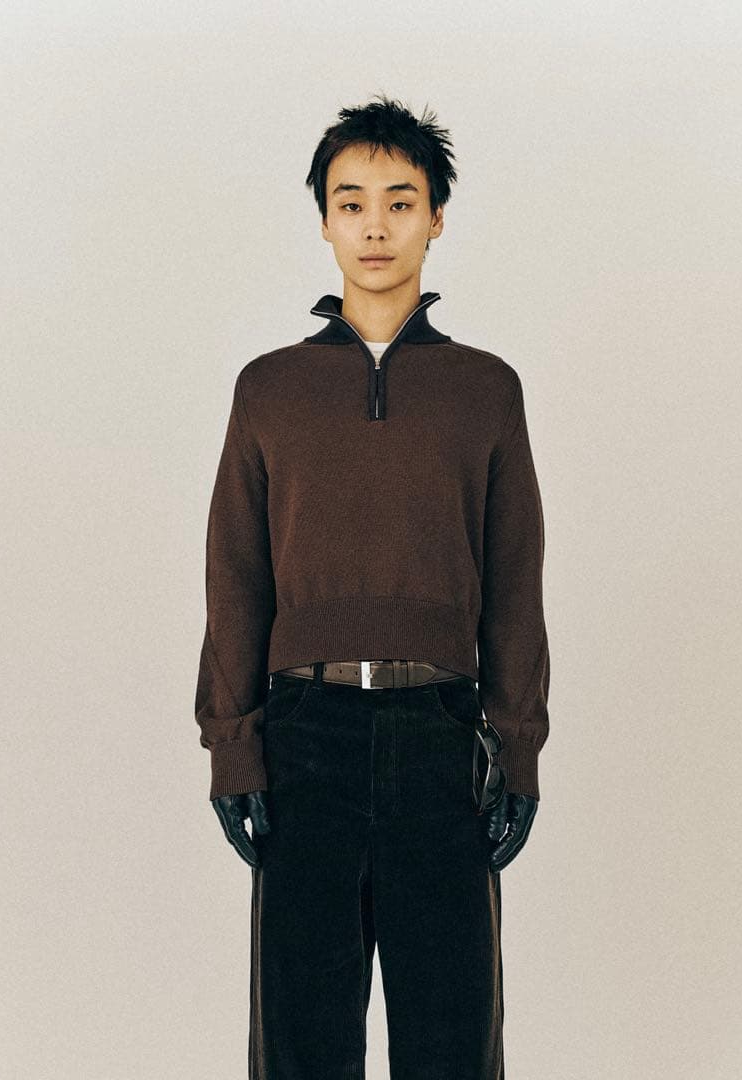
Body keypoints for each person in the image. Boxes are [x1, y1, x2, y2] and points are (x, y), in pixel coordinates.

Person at [193, 93, 550, 1080]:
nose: (376, 226)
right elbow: (235, 574)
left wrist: (518, 748)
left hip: (444, 739)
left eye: (401, 202)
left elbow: (514, 580)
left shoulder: (486, 389)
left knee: (453, 1043)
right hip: (303, 738)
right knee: (301, 1046)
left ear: (437, 217)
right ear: (324, 221)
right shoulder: (270, 388)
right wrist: (233, 746)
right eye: (352, 203)